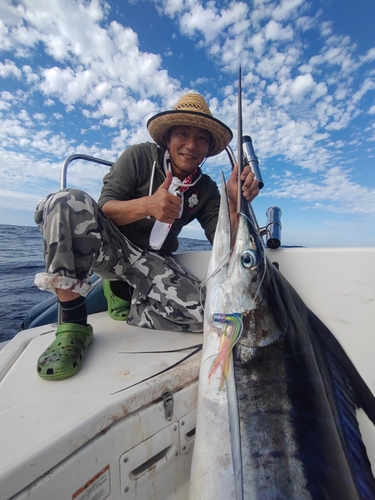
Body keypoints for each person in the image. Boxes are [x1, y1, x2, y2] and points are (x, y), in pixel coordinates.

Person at [34, 93, 259, 381]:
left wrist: (232, 202)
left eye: (202, 138)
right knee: (66, 201)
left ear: (208, 147)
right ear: (167, 138)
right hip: (113, 249)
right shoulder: (138, 156)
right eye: (182, 133)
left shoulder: (205, 189)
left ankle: (130, 298)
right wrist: (147, 205)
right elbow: (103, 209)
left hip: (155, 260)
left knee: (213, 316)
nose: (191, 145)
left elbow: (224, 244)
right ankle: (72, 325)